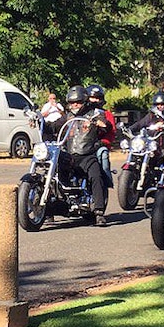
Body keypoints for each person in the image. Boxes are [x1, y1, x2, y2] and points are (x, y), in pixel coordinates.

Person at [56, 85, 110, 226]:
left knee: (96, 176)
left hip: (86, 155)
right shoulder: (67, 117)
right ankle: (50, 207)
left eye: (78, 102)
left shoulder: (93, 113)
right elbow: (54, 126)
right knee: (54, 167)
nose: (75, 105)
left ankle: (98, 212)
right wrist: (40, 121)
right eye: (72, 102)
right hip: (69, 156)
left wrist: (100, 123)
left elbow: (106, 125)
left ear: (84, 101)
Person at [85, 84, 116, 188]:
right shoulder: (81, 113)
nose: (95, 100)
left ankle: (105, 182)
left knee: (103, 153)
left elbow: (111, 133)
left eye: (98, 98)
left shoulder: (107, 114)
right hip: (81, 145)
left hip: (97, 145)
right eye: (92, 97)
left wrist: (102, 142)